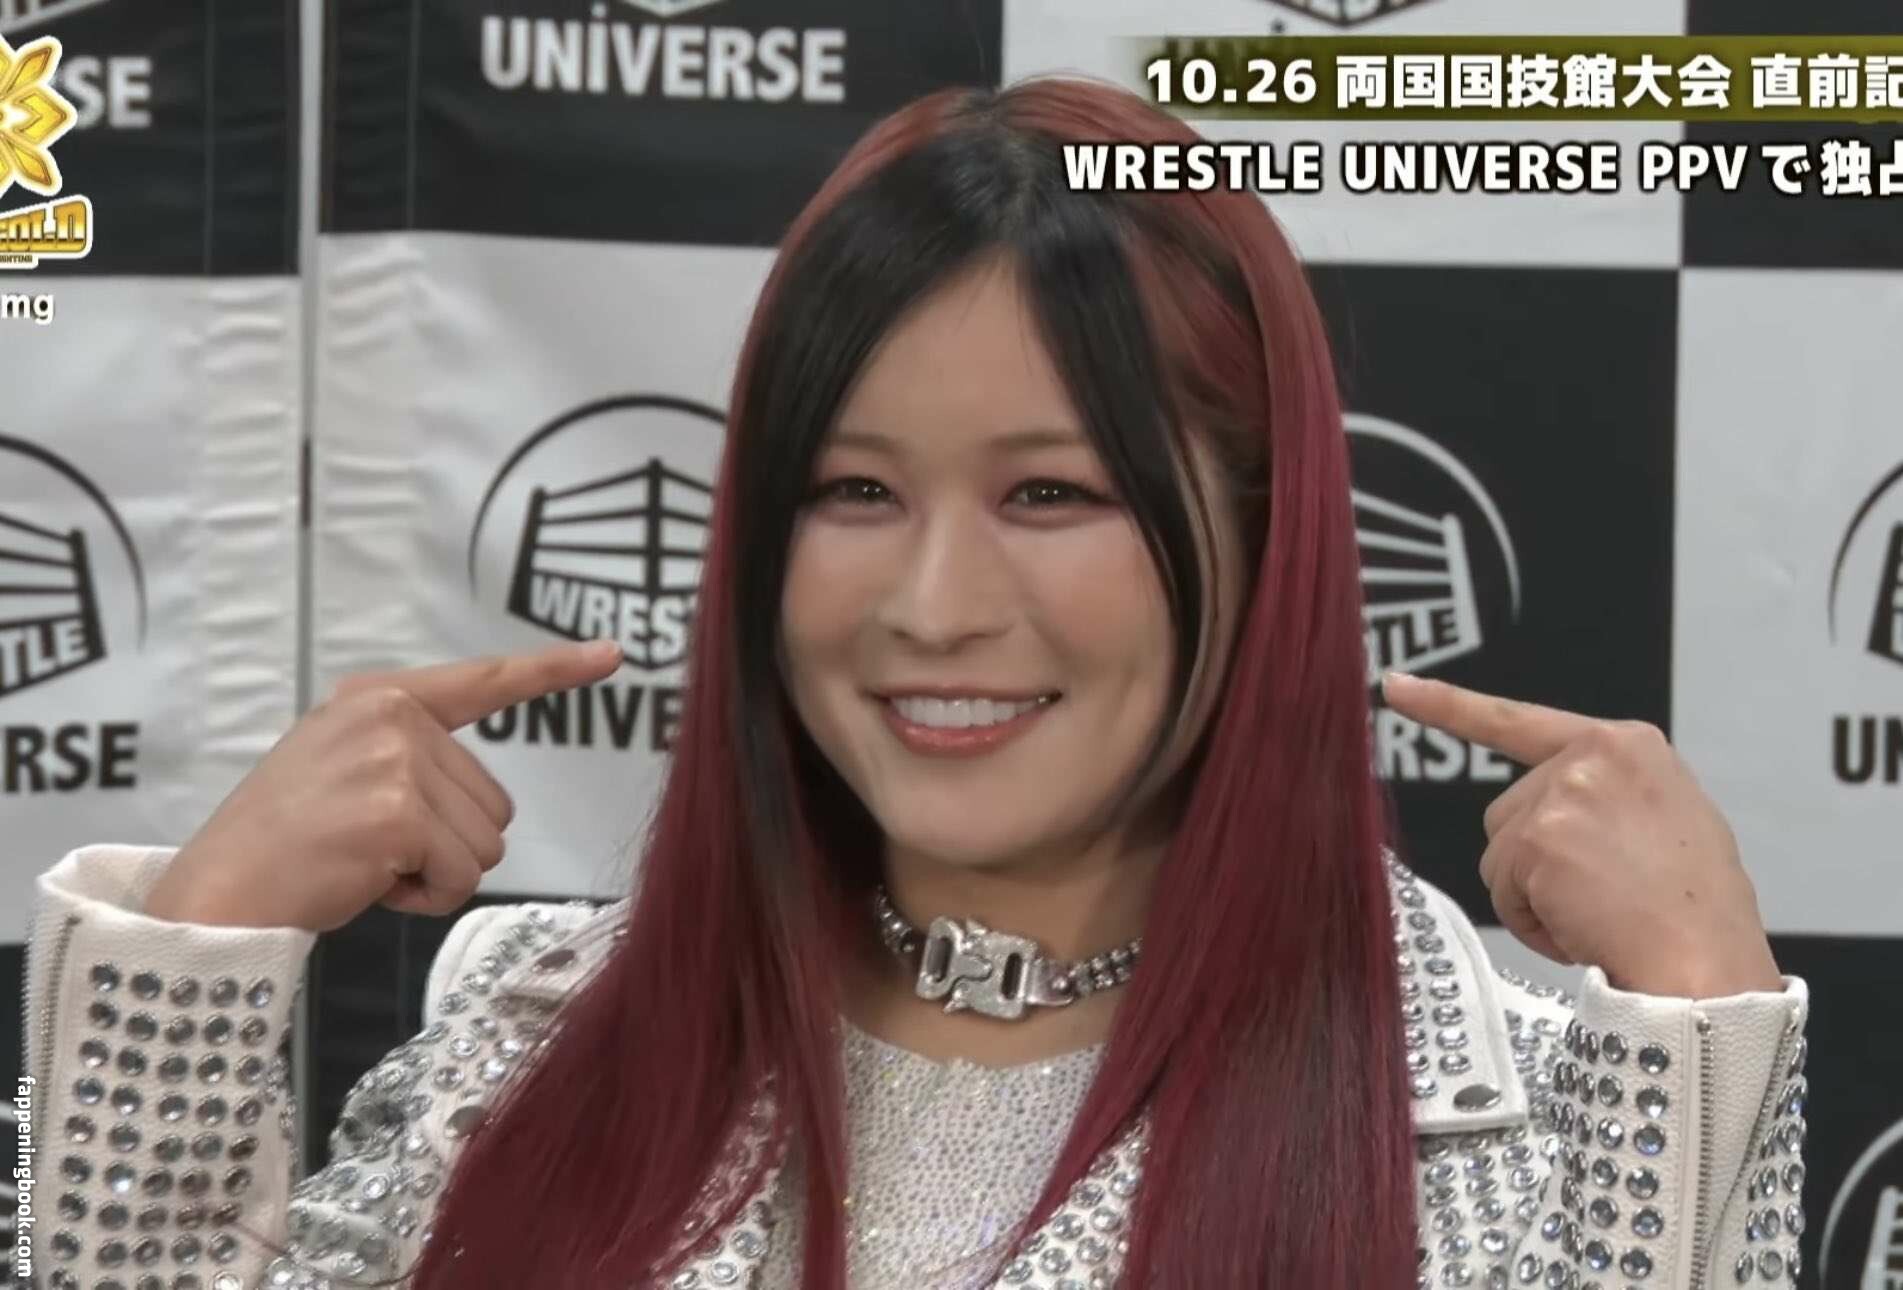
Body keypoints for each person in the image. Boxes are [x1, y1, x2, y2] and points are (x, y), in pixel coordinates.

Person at [20, 76, 1810, 1290]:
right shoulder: (532, 1040)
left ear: (1265, 542)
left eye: (1051, 495)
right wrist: (199, 945)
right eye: (854, 493)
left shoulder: (1509, 1123)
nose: (934, 607)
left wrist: (1705, 1025)